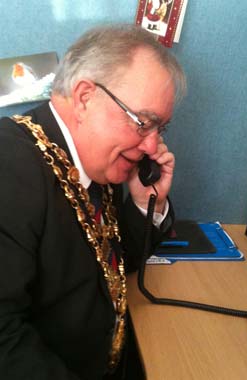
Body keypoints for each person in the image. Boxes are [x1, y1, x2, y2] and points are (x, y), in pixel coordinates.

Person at [0, 24, 186, 380]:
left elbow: (110, 268)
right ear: (85, 98)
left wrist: (147, 203)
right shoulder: (9, 166)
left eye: (159, 129)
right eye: (142, 123)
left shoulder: (95, 161)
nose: (151, 147)